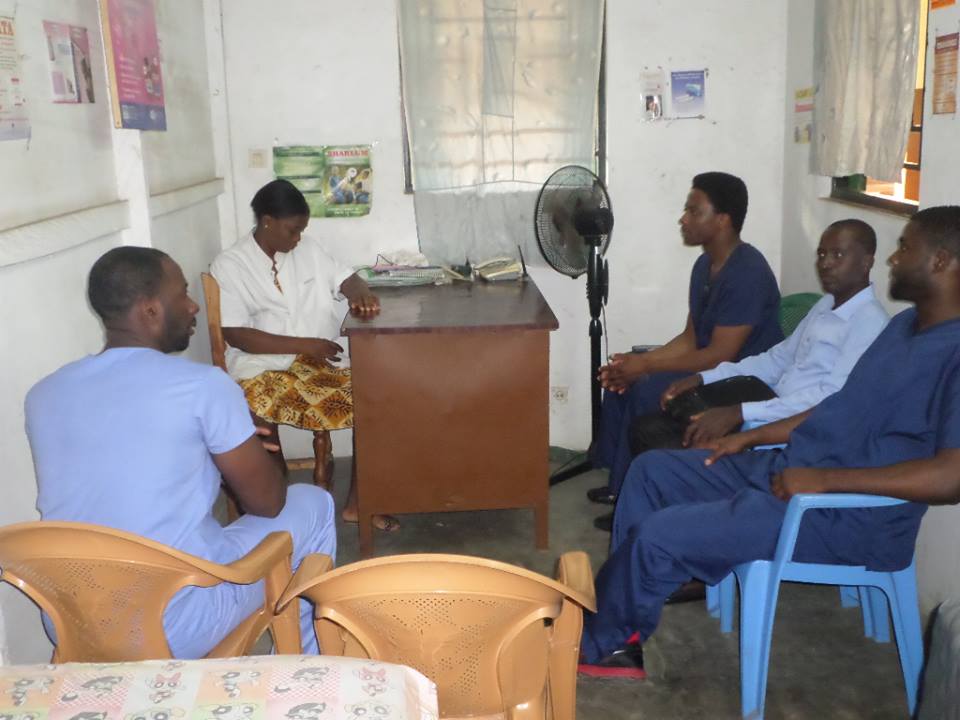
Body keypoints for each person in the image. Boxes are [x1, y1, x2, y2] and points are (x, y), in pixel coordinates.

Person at [578, 206, 960, 678]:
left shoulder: (951, 352)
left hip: (844, 515)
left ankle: (605, 642)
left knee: (660, 534)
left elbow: (950, 477)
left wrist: (823, 481)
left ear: (940, 261)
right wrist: (750, 437)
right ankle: (622, 625)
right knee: (652, 470)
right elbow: (834, 406)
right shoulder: (903, 328)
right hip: (792, 467)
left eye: (905, 247)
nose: (894, 259)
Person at [25, 247, 336, 657]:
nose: (193, 306)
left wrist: (212, 445)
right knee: (313, 502)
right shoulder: (204, 386)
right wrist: (242, 444)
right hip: (174, 624)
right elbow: (268, 504)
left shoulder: (44, 394)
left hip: (70, 619)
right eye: (182, 294)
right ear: (151, 310)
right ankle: (309, 669)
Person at [588, 172, 783, 526]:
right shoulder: (705, 265)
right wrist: (638, 362)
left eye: (694, 211)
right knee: (623, 379)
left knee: (646, 389)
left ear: (722, 220)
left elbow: (721, 355)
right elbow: (691, 338)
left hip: (742, 381)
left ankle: (627, 497)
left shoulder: (748, 273)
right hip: (710, 369)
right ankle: (619, 480)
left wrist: (647, 368)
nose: (684, 219)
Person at [210, 179, 397, 532]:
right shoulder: (231, 265)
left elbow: (347, 277)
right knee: (254, 409)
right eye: (292, 230)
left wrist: (360, 292)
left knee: (373, 400)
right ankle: (274, 505)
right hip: (261, 365)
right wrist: (305, 344)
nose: (298, 238)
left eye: (301, 230)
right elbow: (237, 335)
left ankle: (360, 502)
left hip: (319, 361)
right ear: (267, 222)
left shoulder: (308, 249)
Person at [632, 218, 889, 472]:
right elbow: (776, 359)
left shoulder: (869, 323)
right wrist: (703, 378)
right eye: (821, 254)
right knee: (649, 429)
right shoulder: (826, 304)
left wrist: (740, 413)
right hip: (764, 411)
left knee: (662, 457)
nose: (825, 263)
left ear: (866, 261)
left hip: (788, 439)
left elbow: (828, 402)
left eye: (837, 255)